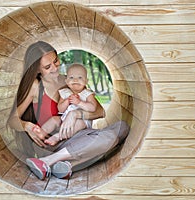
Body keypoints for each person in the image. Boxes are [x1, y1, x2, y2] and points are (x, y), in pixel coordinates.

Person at [8, 41, 130, 180]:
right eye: (48, 67)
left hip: (79, 136)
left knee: (123, 128)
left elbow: (100, 112)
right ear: (37, 69)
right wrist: (26, 126)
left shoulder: (70, 80)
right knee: (110, 138)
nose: (55, 68)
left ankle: (61, 165)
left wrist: (76, 113)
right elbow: (13, 120)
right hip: (53, 143)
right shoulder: (36, 86)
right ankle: (47, 160)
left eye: (56, 61)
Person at [33, 63, 98, 146]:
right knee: (55, 119)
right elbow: (60, 109)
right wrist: (67, 101)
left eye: (80, 77)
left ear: (86, 81)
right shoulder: (64, 93)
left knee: (80, 123)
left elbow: (92, 108)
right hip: (64, 119)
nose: (75, 80)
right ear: (66, 81)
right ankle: (42, 132)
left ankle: (58, 136)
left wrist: (79, 103)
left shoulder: (87, 94)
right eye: (71, 77)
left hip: (82, 121)